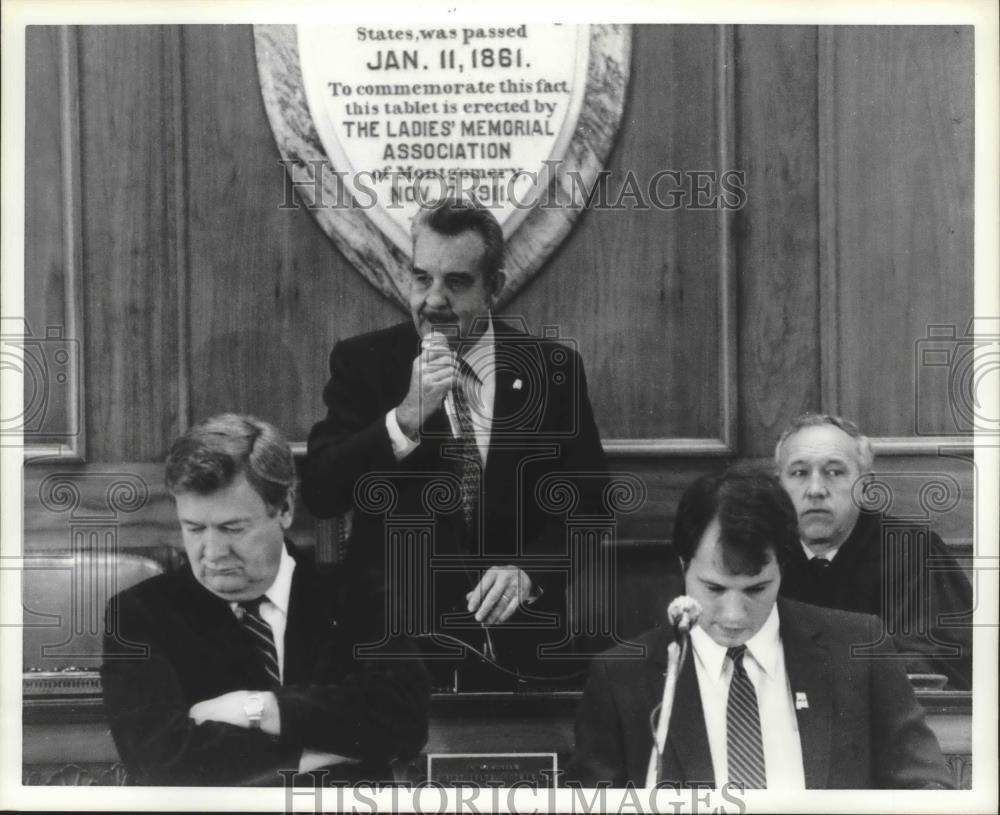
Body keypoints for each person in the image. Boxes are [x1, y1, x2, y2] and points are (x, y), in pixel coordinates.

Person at [302, 197, 608, 683]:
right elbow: (320, 490)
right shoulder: (366, 363)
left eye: (457, 282)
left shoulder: (553, 371)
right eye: (422, 278)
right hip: (392, 654)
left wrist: (529, 573)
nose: (434, 300)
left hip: (518, 648)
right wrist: (403, 420)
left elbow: (591, 507)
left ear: (495, 288)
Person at [567, 468, 953, 789]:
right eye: (714, 588)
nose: (733, 616)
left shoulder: (859, 647)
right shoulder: (623, 676)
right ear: (683, 564)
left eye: (756, 589)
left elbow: (928, 787)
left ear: (782, 568)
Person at [101, 414, 430, 786]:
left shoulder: (358, 595)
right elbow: (161, 764)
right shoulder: (139, 615)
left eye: (232, 528)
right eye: (193, 529)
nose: (212, 553)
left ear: (285, 508)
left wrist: (255, 709)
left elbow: (405, 720)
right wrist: (320, 750)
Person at [774, 413, 972, 690]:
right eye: (799, 473)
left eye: (834, 472)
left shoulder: (914, 552)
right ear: (778, 485)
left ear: (865, 484)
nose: (816, 489)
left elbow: (938, 661)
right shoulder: (763, 553)